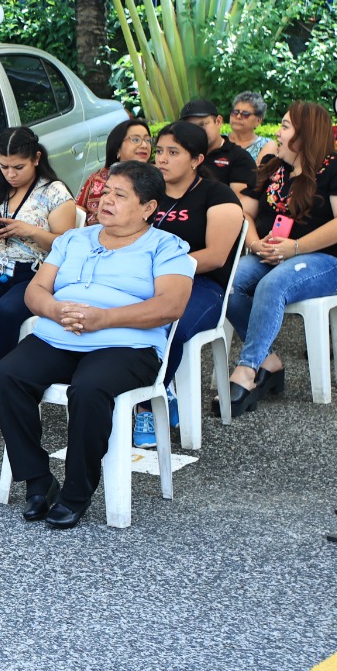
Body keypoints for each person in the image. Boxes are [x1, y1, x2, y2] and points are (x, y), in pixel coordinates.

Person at [0, 160, 194, 529]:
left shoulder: (166, 247)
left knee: (88, 389)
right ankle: (38, 479)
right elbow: (36, 291)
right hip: (59, 335)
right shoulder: (74, 240)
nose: (106, 200)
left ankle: (76, 492)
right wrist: (55, 310)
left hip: (127, 345)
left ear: (148, 207)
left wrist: (104, 319)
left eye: (121, 195)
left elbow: (171, 305)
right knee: (7, 375)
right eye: (106, 191)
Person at [226, 102, 337, 414]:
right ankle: (268, 361)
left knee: (272, 285)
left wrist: (297, 247)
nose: (278, 132)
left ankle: (248, 370)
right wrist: (255, 243)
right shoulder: (273, 168)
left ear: (306, 134)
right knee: (230, 284)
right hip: (270, 255)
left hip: (323, 261)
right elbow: (243, 213)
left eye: (286, 126)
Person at [134, 121, 245, 447]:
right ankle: (157, 392)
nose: (162, 159)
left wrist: (162, 269)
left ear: (197, 159)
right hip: (148, 280)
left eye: (173, 153)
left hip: (204, 286)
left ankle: (146, 405)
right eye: (159, 151)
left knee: (171, 325)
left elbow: (215, 256)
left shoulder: (217, 195)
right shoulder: (148, 193)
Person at [0, 127, 76, 412]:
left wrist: (29, 231)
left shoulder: (54, 192)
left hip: (36, 272)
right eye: (4, 166)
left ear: (36, 158)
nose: (10, 174)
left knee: (8, 310)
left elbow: (67, 245)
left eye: (18, 167)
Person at [179, 98, 258, 215]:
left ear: (218, 121)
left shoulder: (239, 157)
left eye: (202, 125)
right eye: (190, 127)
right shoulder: (180, 155)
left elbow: (238, 205)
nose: (196, 132)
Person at [77, 118, 151, 225]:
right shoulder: (98, 177)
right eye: (135, 140)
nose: (144, 145)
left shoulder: (156, 179)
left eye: (148, 140)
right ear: (118, 148)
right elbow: (79, 211)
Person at [229, 92, 276, 163]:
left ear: (258, 120)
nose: (238, 116)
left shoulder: (266, 145)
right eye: (235, 112)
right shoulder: (219, 140)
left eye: (245, 114)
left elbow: (260, 170)